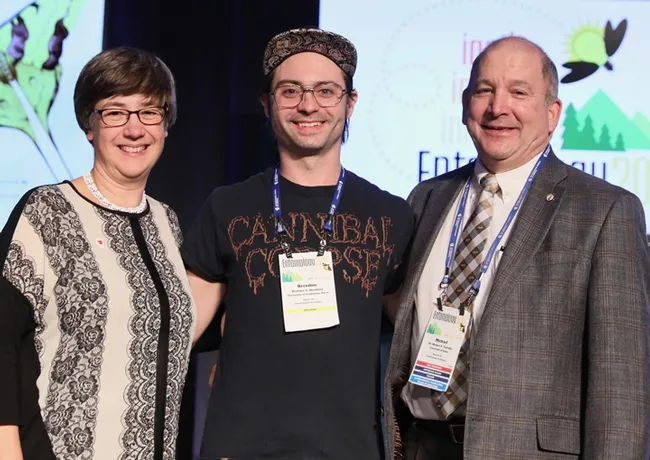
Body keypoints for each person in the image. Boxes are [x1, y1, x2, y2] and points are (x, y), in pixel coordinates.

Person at [383, 36, 650, 460]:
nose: (497, 107)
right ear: (466, 103)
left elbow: (621, 386)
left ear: (552, 113)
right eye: (484, 90)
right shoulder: (426, 198)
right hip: (420, 446)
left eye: (519, 92)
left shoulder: (606, 210)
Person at [182, 28, 414, 459]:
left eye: (326, 90)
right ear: (267, 104)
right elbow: (180, 328)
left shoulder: (391, 216)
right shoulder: (227, 207)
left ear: (351, 101)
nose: (309, 105)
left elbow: (415, 335)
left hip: (350, 449)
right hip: (240, 448)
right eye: (291, 91)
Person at [0, 47, 196, 460]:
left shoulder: (168, 223)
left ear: (166, 125)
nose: (134, 128)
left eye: (149, 112)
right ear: (89, 125)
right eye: (115, 112)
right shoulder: (47, 211)